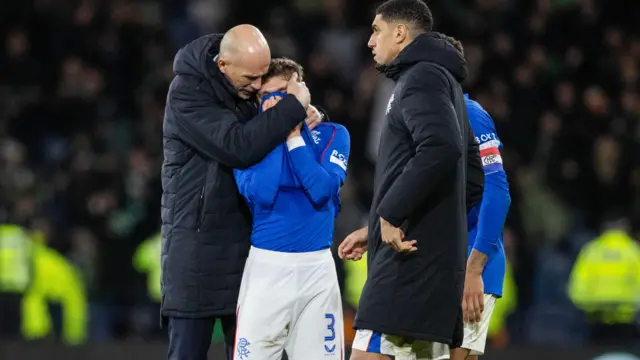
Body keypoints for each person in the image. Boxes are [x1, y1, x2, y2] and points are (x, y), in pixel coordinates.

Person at [339, 0, 483, 359]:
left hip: (404, 269)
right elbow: (472, 177)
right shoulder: (443, 81)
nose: (370, 41)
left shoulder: (421, 77)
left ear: (400, 33)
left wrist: (390, 213)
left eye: (376, 31)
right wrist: (382, 227)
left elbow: (441, 145)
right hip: (426, 263)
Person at [161, 25, 316, 360]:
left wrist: (306, 120)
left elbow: (269, 136)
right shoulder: (188, 93)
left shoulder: (245, 90)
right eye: (250, 78)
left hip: (250, 255)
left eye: (263, 76)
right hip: (196, 253)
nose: (258, 86)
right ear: (222, 65)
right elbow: (239, 146)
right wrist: (294, 108)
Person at [232, 57, 349, 360]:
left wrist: (294, 136)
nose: (278, 103)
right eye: (269, 97)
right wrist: (278, 128)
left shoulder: (334, 133)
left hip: (318, 272)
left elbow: (322, 191)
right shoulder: (243, 139)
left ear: (303, 91)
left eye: (286, 93)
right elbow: (262, 192)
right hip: (267, 271)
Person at [431, 41, 511, 359]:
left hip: (469, 264)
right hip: (435, 264)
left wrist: (474, 268)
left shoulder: (471, 115)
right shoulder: (419, 117)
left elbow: (498, 192)